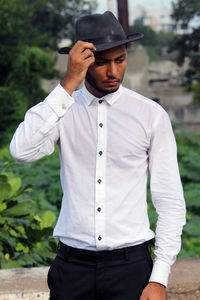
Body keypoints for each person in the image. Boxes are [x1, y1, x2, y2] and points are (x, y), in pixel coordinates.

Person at [10, 11, 186, 300]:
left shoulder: (151, 116)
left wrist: (160, 277)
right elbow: (21, 150)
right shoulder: (62, 110)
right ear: (84, 61)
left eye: (120, 60)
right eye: (102, 62)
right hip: (72, 268)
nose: (114, 72)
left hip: (131, 268)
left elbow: (169, 202)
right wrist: (68, 83)